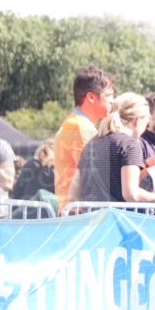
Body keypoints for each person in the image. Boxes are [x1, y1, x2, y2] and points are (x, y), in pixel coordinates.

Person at [67, 94, 155, 205]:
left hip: (91, 218)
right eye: (147, 122)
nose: (146, 127)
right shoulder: (130, 145)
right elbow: (131, 194)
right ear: (137, 120)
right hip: (117, 219)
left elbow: (73, 194)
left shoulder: (91, 143)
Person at [55, 66, 115, 210]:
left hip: (76, 212)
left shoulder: (76, 123)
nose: (113, 101)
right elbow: (95, 176)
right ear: (91, 97)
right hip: (79, 214)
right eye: (109, 95)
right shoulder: (79, 126)